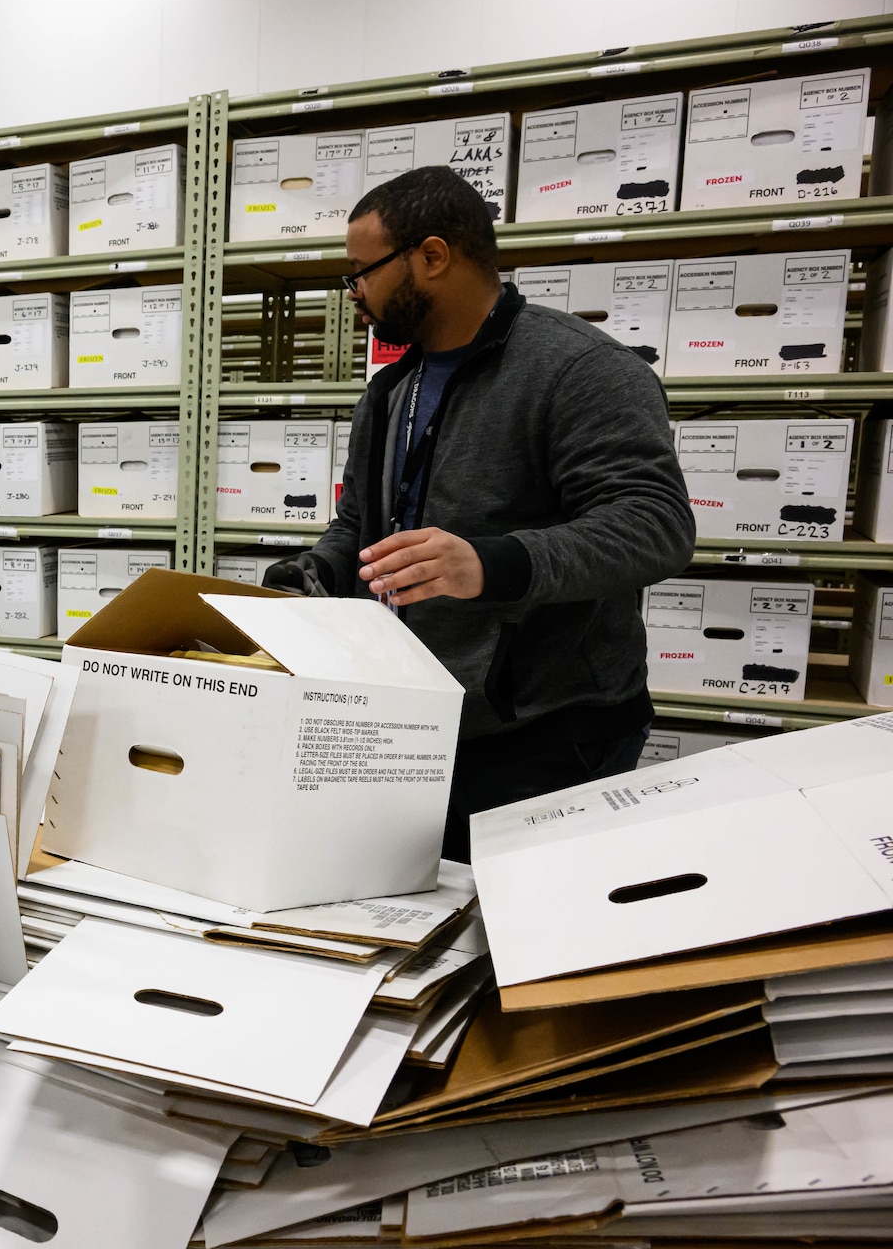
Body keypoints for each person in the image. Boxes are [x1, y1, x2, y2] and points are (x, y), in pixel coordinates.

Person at [263, 165, 695, 861]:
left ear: (432, 256)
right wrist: (312, 575)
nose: (354, 294)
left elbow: (655, 525)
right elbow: (361, 525)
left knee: (524, 946)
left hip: (551, 738)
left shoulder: (579, 370)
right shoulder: (391, 389)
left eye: (362, 272)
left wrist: (490, 562)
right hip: (415, 723)